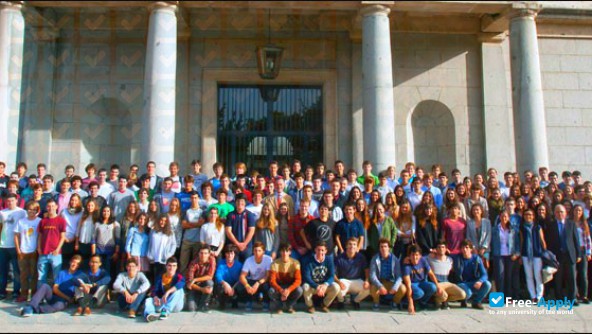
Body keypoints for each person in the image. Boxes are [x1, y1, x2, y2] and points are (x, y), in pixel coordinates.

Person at [545, 204, 581, 302]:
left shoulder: (571, 224)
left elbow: (576, 240)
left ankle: (572, 298)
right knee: (558, 278)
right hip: (557, 256)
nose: (559, 214)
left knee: (572, 278)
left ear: (565, 213)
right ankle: (559, 298)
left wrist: (578, 254)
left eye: (561, 212)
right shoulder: (551, 225)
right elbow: (549, 242)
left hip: (570, 254)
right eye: (557, 212)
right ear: (554, 213)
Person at [13, 201, 41, 302]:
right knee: (23, 274)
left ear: (37, 211)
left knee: (34, 274)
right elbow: (16, 236)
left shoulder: (39, 221)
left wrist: (38, 248)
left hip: (33, 251)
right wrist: (18, 250)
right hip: (22, 251)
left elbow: (41, 236)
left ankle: (33, 294)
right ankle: (24, 294)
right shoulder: (21, 221)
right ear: (26, 210)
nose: (31, 211)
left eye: (34, 210)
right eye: (29, 209)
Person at [401, 245, 442, 314]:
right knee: (419, 293)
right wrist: (410, 303)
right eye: (412, 255)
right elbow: (408, 285)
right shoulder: (406, 266)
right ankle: (407, 302)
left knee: (433, 287)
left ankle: (421, 302)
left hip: (422, 282)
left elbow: (431, 274)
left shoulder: (423, 260)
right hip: (412, 284)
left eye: (417, 255)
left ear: (420, 256)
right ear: (409, 256)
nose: (415, 257)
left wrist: (438, 286)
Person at [0, 193, 27, 300]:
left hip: (15, 246)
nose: (10, 202)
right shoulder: (2, 212)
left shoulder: (22, 212)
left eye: (12, 200)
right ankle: (2, 291)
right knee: (2, 271)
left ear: (16, 201)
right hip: (3, 245)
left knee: (17, 270)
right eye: (8, 201)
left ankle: (16, 291)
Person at [451, 239, 492, 309]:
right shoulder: (457, 258)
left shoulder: (476, 259)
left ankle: (476, 302)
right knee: (468, 293)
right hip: (462, 283)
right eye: (462, 248)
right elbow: (446, 256)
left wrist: (480, 281)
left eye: (466, 247)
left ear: (471, 249)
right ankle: (463, 299)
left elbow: (484, 274)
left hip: (474, 283)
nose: (464, 249)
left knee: (487, 284)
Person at [302, 242, 340, 313]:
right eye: (318, 250)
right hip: (313, 286)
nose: (320, 252)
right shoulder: (308, 260)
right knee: (305, 287)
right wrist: (317, 286)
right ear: (315, 250)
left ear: (326, 251)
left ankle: (324, 305)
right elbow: (307, 277)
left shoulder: (329, 260)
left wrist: (325, 285)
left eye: (322, 250)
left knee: (336, 287)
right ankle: (310, 306)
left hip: (324, 286)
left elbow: (332, 276)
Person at [427, 241, 467, 310]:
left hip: (447, 282)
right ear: (436, 249)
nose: (441, 249)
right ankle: (436, 300)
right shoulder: (430, 259)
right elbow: (420, 259)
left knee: (462, 294)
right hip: (437, 283)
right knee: (443, 296)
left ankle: (445, 300)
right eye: (439, 247)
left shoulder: (450, 259)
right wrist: (429, 254)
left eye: (443, 247)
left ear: (446, 249)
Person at [369, 238, 406, 311]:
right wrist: (380, 286)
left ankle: (395, 302)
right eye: (381, 247)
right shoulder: (375, 259)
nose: (383, 248)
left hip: (391, 282)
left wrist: (395, 287)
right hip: (380, 282)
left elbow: (399, 276)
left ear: (389, 248)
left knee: (403, 288)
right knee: (372, 287)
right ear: (379, 248)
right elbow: (372, 275)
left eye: (385, 246)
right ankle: (376, 303)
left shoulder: (395, 260)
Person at [144, 256, 185, 321]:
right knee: (149, 300)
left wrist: (167, 292)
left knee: (180, 290)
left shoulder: (179, 277)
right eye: (169, 265)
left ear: (176, 267)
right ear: (166, 266)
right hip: (163, 303)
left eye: (174, 266)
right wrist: (155, 297)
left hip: (175, 305)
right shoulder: (160, 277)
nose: (171, 268)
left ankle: (165, 312)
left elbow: (181, 284)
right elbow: (154, 289)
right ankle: (150, 314)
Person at [491, 211, 521, 300]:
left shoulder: (512, 230)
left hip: (510, 255)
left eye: (506, 216)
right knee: (500, 275)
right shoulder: (495, 229)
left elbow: (517, 243)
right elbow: (492, 242)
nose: (504, 218)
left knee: (509, 276)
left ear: (508, 218)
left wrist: (517, 253)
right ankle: (500, 297)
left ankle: (508, 297)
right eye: (502, 216)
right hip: (498, 254)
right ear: (499, 217)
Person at [36, 199, 67, 286]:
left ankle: (55, 296)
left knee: (56, 277)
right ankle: (41, 296)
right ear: (46, 207)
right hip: (43, 252)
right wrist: (38, 248)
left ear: (56, 207)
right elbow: (40, 236)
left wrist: (58, 249)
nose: (51, 208)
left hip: (55, 253)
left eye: (53, 206)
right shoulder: (43, 221)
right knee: (41, 277)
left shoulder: (61, 221)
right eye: (49, 206)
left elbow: (63, 237)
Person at [334, 238, 370, 310]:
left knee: (369, 288)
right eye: (350, 244)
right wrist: (338, 282)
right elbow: (333, 273)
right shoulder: (339, 258)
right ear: (346, 246)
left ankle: (356, 301)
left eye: (354, 244)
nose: (352, 246)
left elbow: (367, 270)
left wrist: (367, 280)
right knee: (335, 287)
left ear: (357, 247)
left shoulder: (361, 257)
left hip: (357, 280)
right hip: (344, 281)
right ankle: (341, 301)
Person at [520, 209, 547, 303]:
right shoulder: (522, 228)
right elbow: (521, 241)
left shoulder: (537, 227)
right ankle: (533, 295)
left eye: (530, 214)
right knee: (529, 276)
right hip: (525, 254)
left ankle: (539, 296)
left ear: (533, 216)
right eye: (526, 214)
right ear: (524, 216)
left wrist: (545, 253)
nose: (528, 216)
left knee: (538, 275)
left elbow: (542, 241)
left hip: (537, 254)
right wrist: (520, 254)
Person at [268, 243, 303, 314]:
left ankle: (289, 305)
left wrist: (289, 290)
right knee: (271, 291)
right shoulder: (274, 264)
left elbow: (298, 280)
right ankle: (279, 307)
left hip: (290, 286)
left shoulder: (295, 263)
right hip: (279, 286)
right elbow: (272, 281)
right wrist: (281, 290)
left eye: (287, 251)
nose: (284, 253)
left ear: (290, 252)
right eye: (282, 251)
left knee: (300, 290)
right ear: (280, 252)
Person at [225, 194, 256, 262]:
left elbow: (252, 231)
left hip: (247, 247)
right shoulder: (230, 215)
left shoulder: (249, 215)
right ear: (235, 202)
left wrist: (244, 244)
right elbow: (228, 231)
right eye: (238, 201)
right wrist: (237, 244)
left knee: (247, 267)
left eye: (242, 201)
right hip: (233, 246)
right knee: (234, 267)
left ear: (245, 202)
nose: (239, 203)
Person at [185, 244, 216, 312]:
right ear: (198, 253)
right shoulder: (193, 263)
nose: (203, 255)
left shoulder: (212, 260)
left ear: (209, 254)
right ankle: (196, 299)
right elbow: (189, 283)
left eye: (205, 253)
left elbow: (210, 276)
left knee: (209, 282)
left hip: (204, 283)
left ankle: (205, 304)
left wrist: (195, 279)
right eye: (201, 253)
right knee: (191, 309)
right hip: (195, 286)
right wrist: (201, 289)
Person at [93, 206, 120, 279]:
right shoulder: (97, 224)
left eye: (108, 211)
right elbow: (93, 239)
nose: (106, 213)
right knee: (98, 271)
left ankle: (107, 287)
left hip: (110, 252)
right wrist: (93, 253)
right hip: (99, 251)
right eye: (104, 211)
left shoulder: (115, 224)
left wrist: (116, 252)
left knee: (108, 271)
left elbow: (117, 240)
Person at [148, 214, 177, 282]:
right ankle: (153, 291)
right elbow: (149, 242)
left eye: (165, 221)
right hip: (153, 258)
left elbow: (173, 244)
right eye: (161, 220)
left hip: (163, 258)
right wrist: (148, 254)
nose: (162, 222)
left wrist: (169, 254)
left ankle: (159, 291)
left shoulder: (170, 232)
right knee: (152, 276)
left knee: (161, 277)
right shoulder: (153, 231)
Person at [180, 191, 204, 271]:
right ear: (190, 199)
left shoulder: (202, 211)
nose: (194, 200)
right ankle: (182, 280)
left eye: (196, 198)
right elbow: (183, 225)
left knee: (195, 264)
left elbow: (202, 223)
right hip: (186, 240)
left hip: (197, 241)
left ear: (198, 199)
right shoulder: (186, 211)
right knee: (183, 262)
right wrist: (197, 224)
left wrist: (189, 224)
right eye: (192, 198)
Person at [214, 244, 243, 310]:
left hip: (235, 284)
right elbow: (218, 276)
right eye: (228, 253)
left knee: (241, 286)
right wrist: (225, 284)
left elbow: (241, 278)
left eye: (232, 253)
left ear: (234, 255)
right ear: (225, 254)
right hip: (224, 284)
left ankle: (235, 300)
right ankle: (222, 303)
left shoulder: (239, 265)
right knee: (218, 286)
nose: (230, 256)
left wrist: (233, 288)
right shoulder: (221, 263)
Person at [465, 204, 492, 269]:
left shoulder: (487, 222)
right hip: (474, 250)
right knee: (475, 268)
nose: (475, 211)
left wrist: (483, 248)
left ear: (481, 211)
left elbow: (488, 236)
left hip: (485, 250)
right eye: (474, 210)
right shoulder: (469, 223)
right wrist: (473, 248)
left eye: (477, 210)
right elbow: (468, 237)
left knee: (484, 269)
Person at [75, 199, 100, 268]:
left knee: (90, 261)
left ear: (95, 207)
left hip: (92, 243)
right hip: (82, 241)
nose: (90, 207)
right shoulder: (83, 216)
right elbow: (78, 229)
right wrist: (76, 243)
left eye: (92, 205)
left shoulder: (97, 217)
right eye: (88, 205)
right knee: (82, 261)